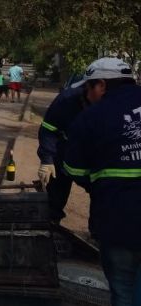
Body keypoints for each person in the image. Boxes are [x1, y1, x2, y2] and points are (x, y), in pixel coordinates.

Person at [63, 57, 141, 305]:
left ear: (102, 85)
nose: (87, 95)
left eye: (88, 88)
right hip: (119, 216)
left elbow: (73, 168)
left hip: (118, 219)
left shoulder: (90, 117)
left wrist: (99, 183)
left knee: (123, 287)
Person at [36, 83, 87, 223]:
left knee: (102, 197)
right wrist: (47, 160)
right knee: (56, 194)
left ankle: (98, 231)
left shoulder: (112, 102)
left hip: (94, 156)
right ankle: (51, 223)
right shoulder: (67, 99)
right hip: (64, 152)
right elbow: (48, 129)